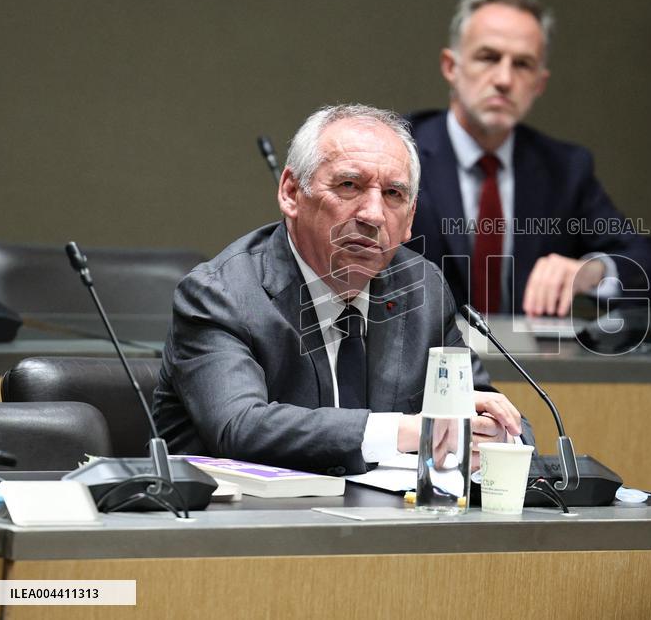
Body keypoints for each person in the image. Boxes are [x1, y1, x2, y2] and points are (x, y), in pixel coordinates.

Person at [153, 104, 531, 476]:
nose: (372, 215)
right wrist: (413, 430)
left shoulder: (423, 290)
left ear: (410, 220)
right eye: (349, 185)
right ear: (290, 192)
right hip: (242, 528)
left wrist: (496, 435)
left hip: (380, 528)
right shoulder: (221, 294)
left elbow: (487, 409)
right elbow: (240, 427)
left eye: (393, 194)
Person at [407, 0, 651, 317]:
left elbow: (647, 261)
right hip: (419, 363)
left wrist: (591, 271)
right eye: (489, 57)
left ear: (540, 83)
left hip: (526, 365)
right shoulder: (399, 151)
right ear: (450, 67)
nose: (504, 79)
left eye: (523, 64)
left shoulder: (564, 169)